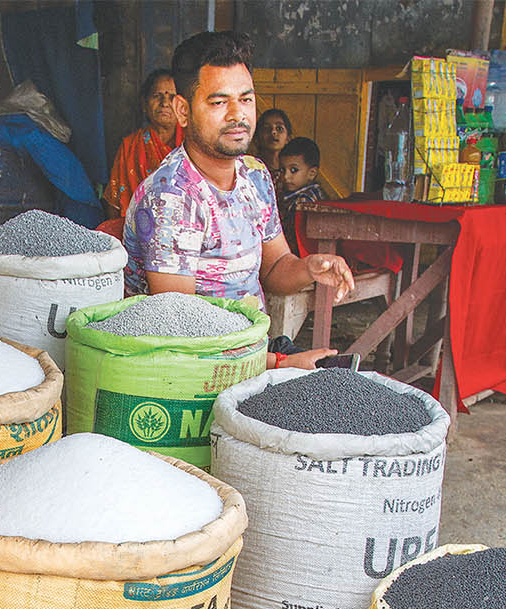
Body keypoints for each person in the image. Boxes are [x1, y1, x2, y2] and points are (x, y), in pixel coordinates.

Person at [122, 31, 354, 369]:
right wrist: (279, 364)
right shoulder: (172, 197)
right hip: (187, 367)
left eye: (246, 99)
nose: (237, 115)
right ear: (183, 111)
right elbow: (177, 329)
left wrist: (309, 268)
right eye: (219, 102)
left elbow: (274, 268)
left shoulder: (255, 176)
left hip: (250, 347)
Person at [103, 70, 183, 220]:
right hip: (136, 231)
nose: (164, 103)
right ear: (145, 104)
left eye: (171, 97)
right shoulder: (131, 146)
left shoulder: (193, 145)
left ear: (182, 106)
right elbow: (114, 204)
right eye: (157, 96)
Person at [277, 136, 327, 252]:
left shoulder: (305, 199)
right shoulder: (290, 194)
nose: (286, 176)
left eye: (293, 170)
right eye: (282, 170)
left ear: (312, 173)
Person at [252, 108, 292, 188]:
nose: (273, 132)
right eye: (266, 128)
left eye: (279, 128)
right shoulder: (250, 171)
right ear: (257, 138)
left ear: (288, 138)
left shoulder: (293, 174)